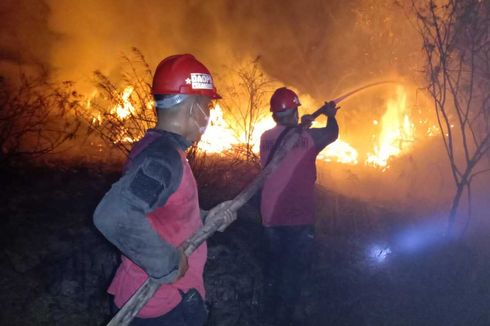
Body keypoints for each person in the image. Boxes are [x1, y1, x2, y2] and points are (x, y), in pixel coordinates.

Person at [93, 54, 234, 326]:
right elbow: (113, 214)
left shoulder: (158, 148)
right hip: (162, 308)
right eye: (207, 106)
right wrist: (167, 263)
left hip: (159, 302)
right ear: (193, 108)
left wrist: (206, 218)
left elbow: (162, 213)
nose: (208, 115)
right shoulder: (162, 158)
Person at [259, 87, 339, 325]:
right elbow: (332, 134)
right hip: (299, 218)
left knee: (275, 266)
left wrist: (301, 126)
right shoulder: (309, 138)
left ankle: (269, 313)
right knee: (295, 269)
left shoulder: (265, 138)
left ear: (274, 115)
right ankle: (288, 317)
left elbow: (286, 143)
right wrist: (331, 114)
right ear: (295, 111)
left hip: (270, 216)